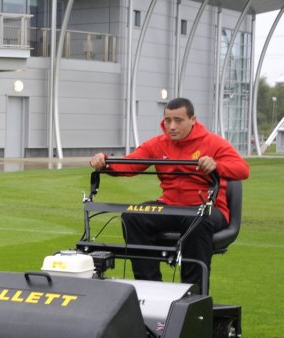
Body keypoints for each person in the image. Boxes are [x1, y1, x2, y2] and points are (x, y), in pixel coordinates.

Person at [88, 97, 249, 289]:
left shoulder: (213, 143)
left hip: (205, 208)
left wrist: (216, 165)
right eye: (167, 120)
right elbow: (130, 164)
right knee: (133, 217)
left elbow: (242, 169)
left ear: (193, 120)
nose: (172, 126)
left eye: (178, 120)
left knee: (196, 221)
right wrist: (105, 163)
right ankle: (149, 286)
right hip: (171, 207)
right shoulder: (158, 144)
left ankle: (193, 292)